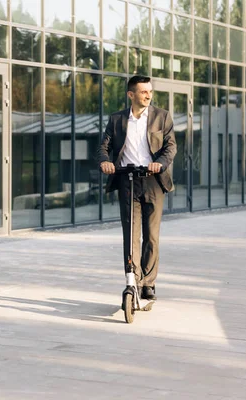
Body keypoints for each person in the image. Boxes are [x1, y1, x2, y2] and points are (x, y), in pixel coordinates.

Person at [97, 75, 177, 301]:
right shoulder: (117, 120)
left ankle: (148, 283)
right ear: (131, 95)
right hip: (126, 180)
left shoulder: (162, 117)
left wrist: (159, 164)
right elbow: (104, 147)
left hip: (153, 180)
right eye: (143, 92)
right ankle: (132, 279)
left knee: (151, 236)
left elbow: (170, 147)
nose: (148, 95)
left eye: (150, 91)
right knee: (130, 235)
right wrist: (105, 161)